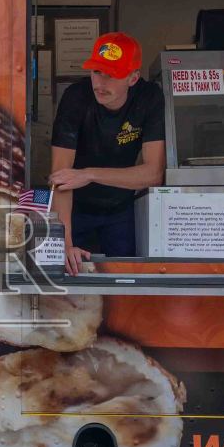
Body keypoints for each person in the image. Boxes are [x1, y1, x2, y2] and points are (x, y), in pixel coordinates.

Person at [49, 32, 167, 274]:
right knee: (69, 278)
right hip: (74, 209)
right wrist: (65, 244)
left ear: (133, 78)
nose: (101, 83)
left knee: (125, 283)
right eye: (96, 72)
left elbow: (154, 173)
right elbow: (60, 178)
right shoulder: (76, 97)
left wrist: (89, 174)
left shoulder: (149, 97)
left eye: (112, 75)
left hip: (120, 209)